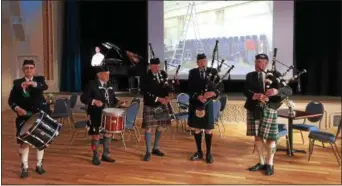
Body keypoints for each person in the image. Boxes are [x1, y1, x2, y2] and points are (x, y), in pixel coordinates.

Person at [243, 54, 286, 176]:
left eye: (261, 62)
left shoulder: (276, 75)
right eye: (256, 62)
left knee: (271, 138)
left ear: (266, 63)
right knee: (257, 137)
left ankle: (270, 163)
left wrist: (276, 91)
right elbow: (245, 90)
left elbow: (288, 90)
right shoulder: (250, 76)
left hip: (270, 109)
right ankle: (261, 162)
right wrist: (254, 95)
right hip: (254, 108)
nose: (258, 64)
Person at [8, 59, 50, 178]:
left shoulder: (39, 80)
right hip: (24, 116)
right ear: (23, 70)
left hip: (40, 115)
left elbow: (44, 87)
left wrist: (33, 84)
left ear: (34, 69)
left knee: (41, 141)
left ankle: (39, 165)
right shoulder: (17, 83)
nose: (29, 70)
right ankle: (25, 167)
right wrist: (17, 109)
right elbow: (11, 101)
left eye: (31, 68)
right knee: (24, 142)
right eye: (26, 68)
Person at [80, 66, 127, 165]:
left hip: (107, 115)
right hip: (95, 114)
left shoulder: (109, 85)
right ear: (99, 75)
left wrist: (119, 102)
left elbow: (113, 99)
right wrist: (94, 101)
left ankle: (106, 154)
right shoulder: (92, 84)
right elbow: (83, 98)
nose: (108, 76)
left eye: (109, 74)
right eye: (106, 74)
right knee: (96, 135)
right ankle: (95, 156)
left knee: (108, 133)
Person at [187, 54, 222, 164]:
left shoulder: (213, 71)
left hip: (208, 104)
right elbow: (189, 88)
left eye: (204, 61)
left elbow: (221, 87)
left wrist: (214, 93)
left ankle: (208, 153)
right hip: (196, 103)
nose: (202, 63)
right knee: (197, 129)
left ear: (206, 61)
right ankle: (199, 151)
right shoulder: (192, 72)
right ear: (197, 63)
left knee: (208, 129)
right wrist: (198, 96)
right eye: (200, 61)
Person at [140, 58, 173, 161]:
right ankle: (148, 151)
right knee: (149, 128)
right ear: (151, 66)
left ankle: (155, 148)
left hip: (161, 104)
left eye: (158, 66)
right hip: (150, 104)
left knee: (160, 127)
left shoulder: (162, 74)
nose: (157, 68)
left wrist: (170, 94)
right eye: (155, 66)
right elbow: (144, 92)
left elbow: (167, 86)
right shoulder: (145, 76)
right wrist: (159, 99)